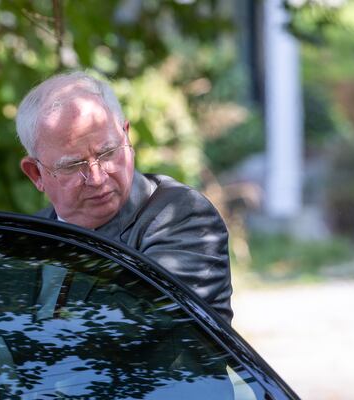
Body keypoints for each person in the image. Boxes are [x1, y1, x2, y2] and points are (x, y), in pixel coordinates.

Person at [16, 71, 233, 323]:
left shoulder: (182, 217)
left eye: (108, 152)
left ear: (126, 136)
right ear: (36, 174)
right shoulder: (27, 238)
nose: (97, 178)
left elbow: (128, 333)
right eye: (73, 165)